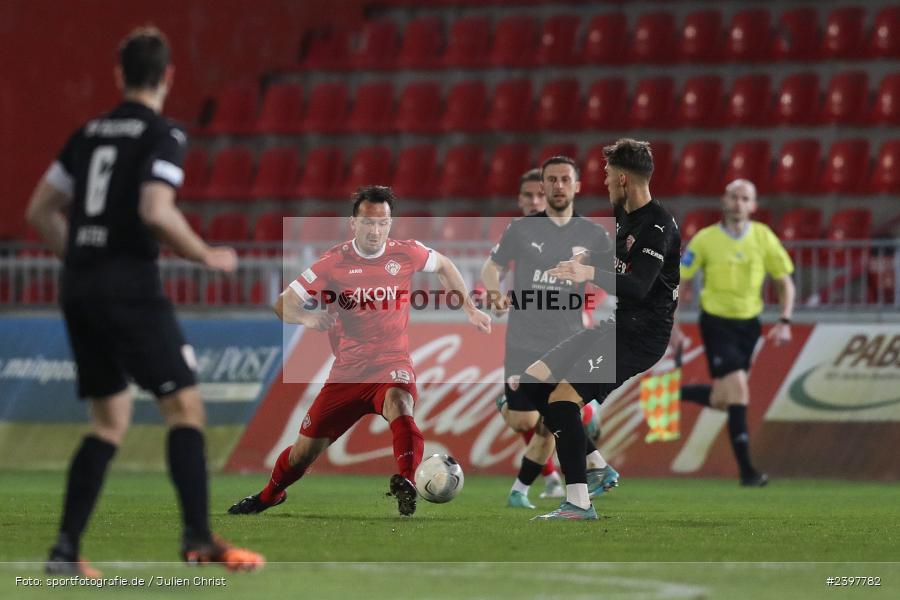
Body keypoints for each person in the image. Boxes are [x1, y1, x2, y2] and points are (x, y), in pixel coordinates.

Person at [25, 27, 263, 575]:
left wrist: (82, 259)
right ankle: (198, 537)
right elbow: (156, 210)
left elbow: (39, 211)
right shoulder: (163, 133)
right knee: (185, 408)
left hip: (80, 288)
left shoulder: (87, 133)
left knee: (108, 420)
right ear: (168, 76)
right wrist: (205, 254)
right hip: (128, 286)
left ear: (119, 74)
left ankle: (65, 550)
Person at [228, 186, 491, 517]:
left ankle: (407, 481)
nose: (375, 230)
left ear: (390, 224)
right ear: (353, 223)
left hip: (392, 363)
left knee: (401, 404)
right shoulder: (333, 263)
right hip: (348, 373)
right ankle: (269, 495)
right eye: (368, 222)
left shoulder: (406, 252)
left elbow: (445, 266)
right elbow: (283, 304)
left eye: (382, 223)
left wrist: (469, 308)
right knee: (303, 454)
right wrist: (308, 317)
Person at [515, 139, 681, 520]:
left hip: (643, 336)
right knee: (533, 382)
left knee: (562, 401)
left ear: (623, 179)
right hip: (620, 326)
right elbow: (622, 258)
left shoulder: (658, 225)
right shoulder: (623, 212)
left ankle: (578, 503)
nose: (604, 182)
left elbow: (639, 285)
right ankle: (596, 465)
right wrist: (590, 257)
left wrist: (587, 272)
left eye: (607, 175)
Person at [482, 158, 619, 511]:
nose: (558, 186)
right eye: (552, 180)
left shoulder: (594, 234)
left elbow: (614, 277)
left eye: (565, 180)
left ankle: (525, 491)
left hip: (568, 339)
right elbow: (491, 267)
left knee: (553, 419)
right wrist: (494, 293)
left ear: (577, 186)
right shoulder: (521, 230)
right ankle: (591, 463)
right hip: (523, 339)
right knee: (524, 420)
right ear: (543, 187)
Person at [672, 179, 795, 487]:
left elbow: (785, 283)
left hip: (749, 325)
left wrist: (784, 321)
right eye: (734, 196)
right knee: (739, 391)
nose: (739, 202)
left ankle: (676, 393)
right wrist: (673, 325)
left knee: (723, 398)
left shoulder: (764, 237)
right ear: (724, 200)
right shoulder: (705, 239)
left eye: (745, 198)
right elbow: (679, 281)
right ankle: (747, 472)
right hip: (716, 323)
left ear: (753, 205)